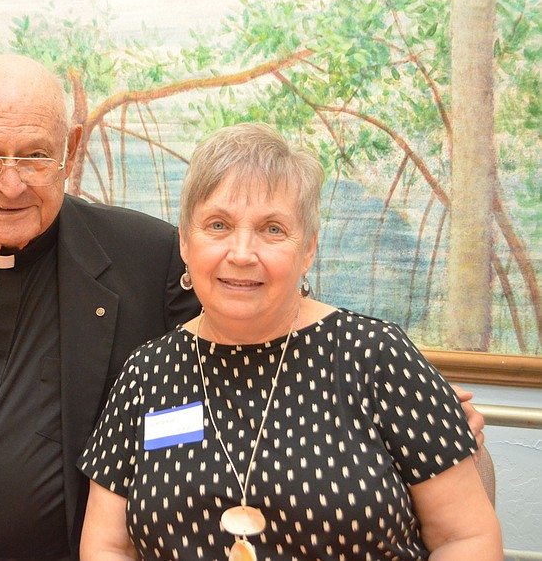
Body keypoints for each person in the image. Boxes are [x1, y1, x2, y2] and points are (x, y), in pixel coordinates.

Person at [0, 57, 483, 561]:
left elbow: (251, 299)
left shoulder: (140, 254)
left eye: (35, 155)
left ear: (69, 152)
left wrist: (405, 405)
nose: (11, 182)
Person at [78, 122, 502, 560]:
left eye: (273, 229)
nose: (242, 253)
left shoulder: (378, 357)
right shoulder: (147, 373)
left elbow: (465, 539)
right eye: (218, 225)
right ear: (185, 242)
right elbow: (108, 546)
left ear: (309, 249)